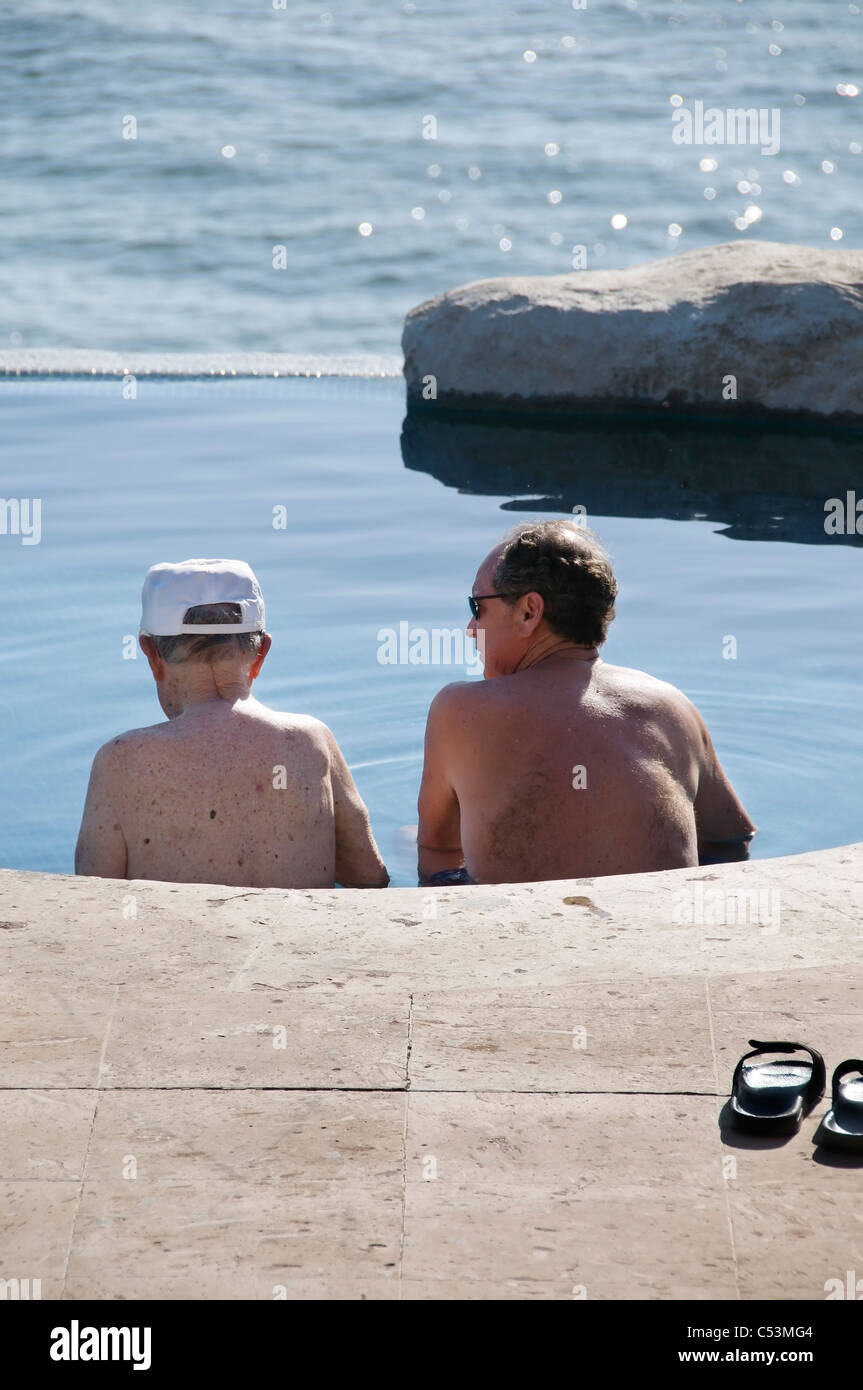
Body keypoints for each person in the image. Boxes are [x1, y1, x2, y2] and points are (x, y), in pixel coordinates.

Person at [417, 520, 755, 886]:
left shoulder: (459, 712)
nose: (470, 628)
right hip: (663, 931)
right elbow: (732, 840)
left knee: (408, 837)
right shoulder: (672, 707)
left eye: (477, 606)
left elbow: (435, 852)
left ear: (529, 611)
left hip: (526, 936)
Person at [75, 558, 388, 890]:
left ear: (152, 654)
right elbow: (369, 877)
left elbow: (95, 901)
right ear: (261, 654)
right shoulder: (311, 743)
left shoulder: (121, 763)